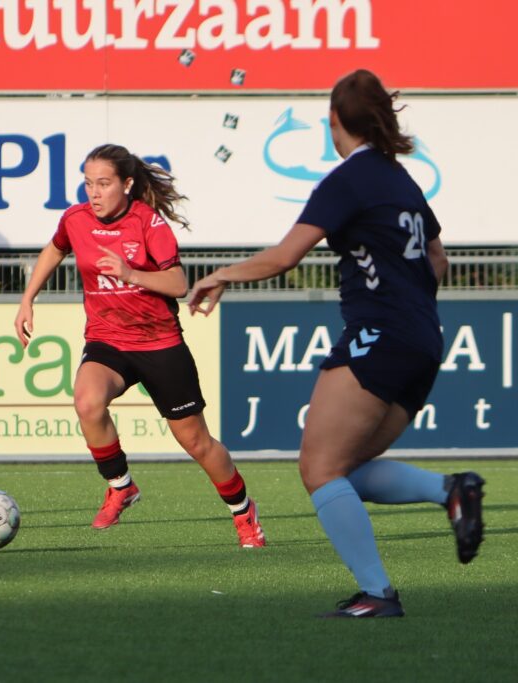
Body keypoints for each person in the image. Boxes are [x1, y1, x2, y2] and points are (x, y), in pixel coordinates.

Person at [188, 69, 485, 616]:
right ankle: (451, 490)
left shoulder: (349, 180)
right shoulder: (402, 180)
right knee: (342, 467)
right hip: (424, 339)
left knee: (319, 469)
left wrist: (222, 274)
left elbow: (285, 257)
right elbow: (438, 258)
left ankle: (378, 594)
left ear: (335, 122)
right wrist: (409, 306)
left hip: (381, 334)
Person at [14, 143, 265, 548]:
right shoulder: (75, 219)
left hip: (159, 344)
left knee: (197, 443)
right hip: (107, 339)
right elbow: (55, 248)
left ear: (127, 184)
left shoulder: (148, 223)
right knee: (87, 402)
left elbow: (178, 284)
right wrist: (28, 299)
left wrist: (130, 273)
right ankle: (121, 486)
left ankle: (243, 511)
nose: (94, 193)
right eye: (88, 183)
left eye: (103, 184)